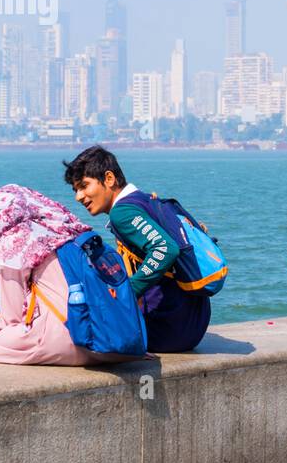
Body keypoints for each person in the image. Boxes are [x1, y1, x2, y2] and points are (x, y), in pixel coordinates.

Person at [0, 185, 138, 366]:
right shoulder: (68, 231)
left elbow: (13, 317)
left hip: (72, 343)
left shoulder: (13, 243)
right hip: (116, 342)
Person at [63, 145, 211, 351]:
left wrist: (128, 292)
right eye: (75, 189)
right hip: (194, 325)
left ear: (109, 179)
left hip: (166, 329)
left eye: (84, 186)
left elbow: (165, 249)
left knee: (78, 328)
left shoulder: (122, 213)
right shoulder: (146, 200)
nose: (78, 197)